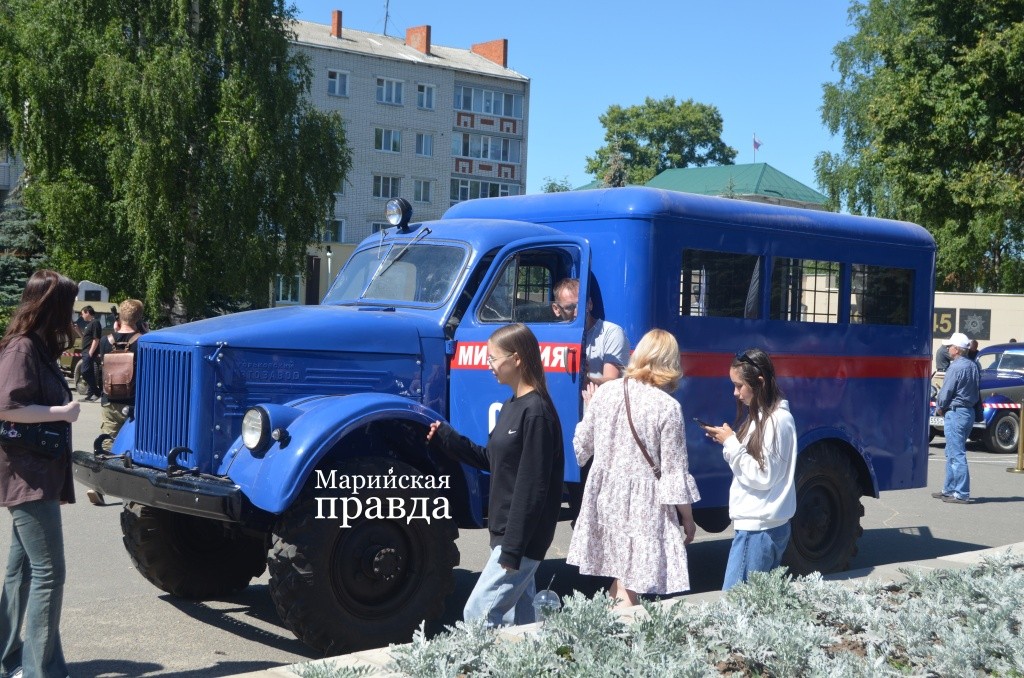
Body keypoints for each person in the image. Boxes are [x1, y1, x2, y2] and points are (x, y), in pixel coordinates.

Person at [426, 323, 564, 626]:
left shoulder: (537, 412)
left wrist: (512, 550)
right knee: (524, 621)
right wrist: (448, 439)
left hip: (520, 539)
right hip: (506, 533)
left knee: (478, 614)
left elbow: (532, 487)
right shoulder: (511, 405)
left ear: (516, 359)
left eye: (493, 358)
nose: (489, 365)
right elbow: (492, 459)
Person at [566, 329, 699, 608]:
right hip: (643, 504)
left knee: (622, 578)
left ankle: (612, 634)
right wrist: (687, 517)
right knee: (631, 583)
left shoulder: (605, 394)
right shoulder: (668, 407)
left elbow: (582, 448)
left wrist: (590, 410)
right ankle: (621, 645)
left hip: (605, 496)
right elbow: (674, 472)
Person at [0, 269, 80, 678]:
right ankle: (40, 672)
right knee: (50, 573)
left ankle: (10, 660)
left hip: (33, 471)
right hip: (27, 474)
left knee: (23, 570)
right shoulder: (22, 349)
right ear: (51, 306)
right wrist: (61, 413)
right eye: (67, 305)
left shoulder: (35, 346)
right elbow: (7, 407)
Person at [704, 348, 798, 591]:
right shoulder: (766, 418)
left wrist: (731, 443)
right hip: (763, 527)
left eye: (739, 386)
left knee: (735, 608)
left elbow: (762, 475)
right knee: (754, 608)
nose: (735, 393)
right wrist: (730, 442)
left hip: (757, 530)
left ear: (759, 383)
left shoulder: (776, 421)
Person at [89, 299, 145, 506]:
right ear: (139, 317)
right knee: (136, 445)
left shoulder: (106, 341)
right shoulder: (144, 341)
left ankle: (99, 485)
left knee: (108, 442)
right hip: (135, 403)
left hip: (110, 399)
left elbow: (97, 363)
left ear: (119, 316)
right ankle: (134, 493)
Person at [551, 278, 630, 388]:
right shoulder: (552, 335)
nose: (577, 313)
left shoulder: (610, 332)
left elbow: (613, 383)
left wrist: (585, 380)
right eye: (570, 308)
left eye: (581, 306)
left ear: (590, 304)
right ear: (556, 309)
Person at [932, 332, 980, 504]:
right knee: (953, 451)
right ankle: (949, 489)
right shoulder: (973, 365)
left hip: (956, 412)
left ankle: (960, 492)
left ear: (957, 349)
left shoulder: (956, 367)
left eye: (950, 346)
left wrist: (940, 407)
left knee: (956, 453)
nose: (947, 348)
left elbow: (946, 392)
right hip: (968, 412)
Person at [78, 304, 103, 402]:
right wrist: (78, 331)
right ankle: (90, 394)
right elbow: (85, 338)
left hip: (89, 352)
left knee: (85, 372)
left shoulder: (95, 323)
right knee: (90, 373)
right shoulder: (89, 324)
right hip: (86, 351)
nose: (82, 316)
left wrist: (90, 353)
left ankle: (96, 392)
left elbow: (96, 339)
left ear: (87, 312)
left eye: (82, 314)